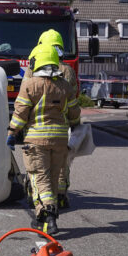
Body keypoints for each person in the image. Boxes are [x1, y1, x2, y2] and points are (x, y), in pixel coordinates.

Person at [7, 47, 80, 234]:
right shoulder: (65, 85)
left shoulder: (30, 84)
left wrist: (12, 132)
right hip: (60, 140)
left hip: (36, 140)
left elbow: (20, 113)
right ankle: (46, 216)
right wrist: (75, 126)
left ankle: (48, 216)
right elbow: (74, 113)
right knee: (54, 177)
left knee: (40, 177)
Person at [24, 29, 76, 209]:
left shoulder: (32, 70)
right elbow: (73, 97)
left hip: (37, 126)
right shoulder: (68, 70)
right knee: (61, 162)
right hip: (62, 125)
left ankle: (42, 201)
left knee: (39, 167)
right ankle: (60, 194)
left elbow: (25, 97)